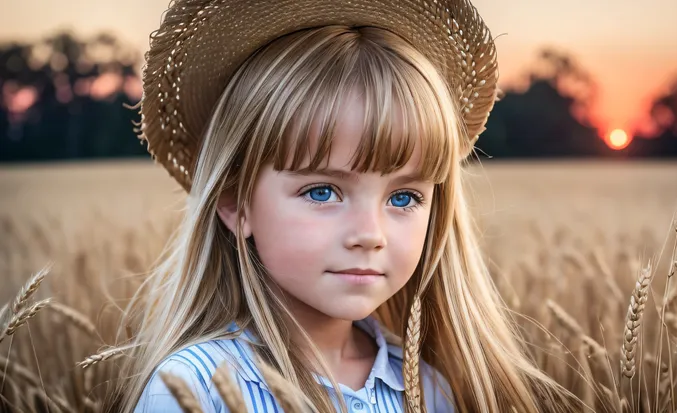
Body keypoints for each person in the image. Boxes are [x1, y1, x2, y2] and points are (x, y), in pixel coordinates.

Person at [117, 0, 577, 411]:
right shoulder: (193, 389)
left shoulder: (426, 391)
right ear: (237, 204)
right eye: (322, 192)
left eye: (403, 197)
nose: (370, 234)